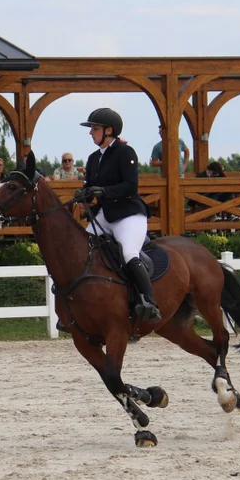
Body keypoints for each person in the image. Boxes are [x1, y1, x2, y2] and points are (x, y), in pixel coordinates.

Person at [76, 107, 161, 322]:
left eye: (94, 128)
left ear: (109, 131)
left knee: (128, 254)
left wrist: (103, 191)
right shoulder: (94, 158)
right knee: (81, 249)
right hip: (105, 215)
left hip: (128, 214)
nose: (91, 133)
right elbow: (91, 185)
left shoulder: (126, 153)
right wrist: (84, 193)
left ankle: (148, 302)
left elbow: (130, 186)